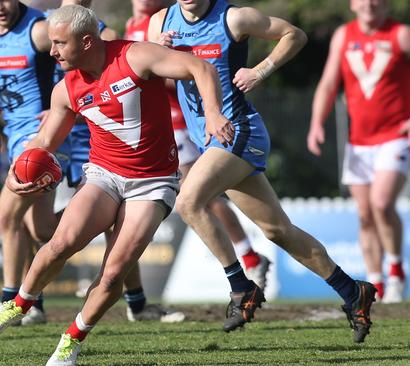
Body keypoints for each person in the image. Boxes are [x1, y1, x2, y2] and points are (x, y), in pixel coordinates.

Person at [0, 5, 230, 365]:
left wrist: (214, 112)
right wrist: (14, 173)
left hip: (153, 181)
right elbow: (43, 142)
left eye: (59, 43)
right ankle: (19, 304)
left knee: (114, 272)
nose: (52, 51)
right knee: (60, 243)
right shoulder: (66, 89)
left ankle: (71, 340)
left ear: (86, 41)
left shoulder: (135, 55)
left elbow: (200, 67)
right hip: (104, 174)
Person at [148, 0, 376, 343]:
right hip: (208, 139)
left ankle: (241, 287)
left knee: (188, 202)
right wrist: (157, 55)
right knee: (276, 230)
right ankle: (352, 291)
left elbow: (293, 35)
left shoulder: (234, 18)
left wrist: (260, 70)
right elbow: (151, 73)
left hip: (239, 131)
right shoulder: (160, 22)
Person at [47, 0, 186, 323]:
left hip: (108, 143)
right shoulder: (47, 28)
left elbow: (125, 75)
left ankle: (128, 299)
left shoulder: (102, 35)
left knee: (114, 233)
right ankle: (25, 301)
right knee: (50, 232)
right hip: (73, 135)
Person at [128, 0, 271, 291]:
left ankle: (248, 259)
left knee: (199, 196)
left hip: (187, 122)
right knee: (199, 196)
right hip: (165, 124)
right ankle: (249, 257)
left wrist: (162, 61)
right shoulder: (137, 27)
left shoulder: (171, 20)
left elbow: (185, 75)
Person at [0, 0, 68, 326]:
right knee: (40, 228)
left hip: (42, 136)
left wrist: (63, 104)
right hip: (15, 137)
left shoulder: (38, 31)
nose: (0, 5)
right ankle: (102, 216)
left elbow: (79, 62)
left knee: (6, 216)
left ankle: (11, 303)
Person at [307, 0, 409, 303]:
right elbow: (328, 83)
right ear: (352, 4)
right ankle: (375, 280)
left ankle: (396, 272)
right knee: (365, 215)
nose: (370, 3)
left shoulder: (400, 34)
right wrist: (316, 123)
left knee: (381, 203)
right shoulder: (343, 35)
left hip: (395, 137)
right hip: (359, 141)